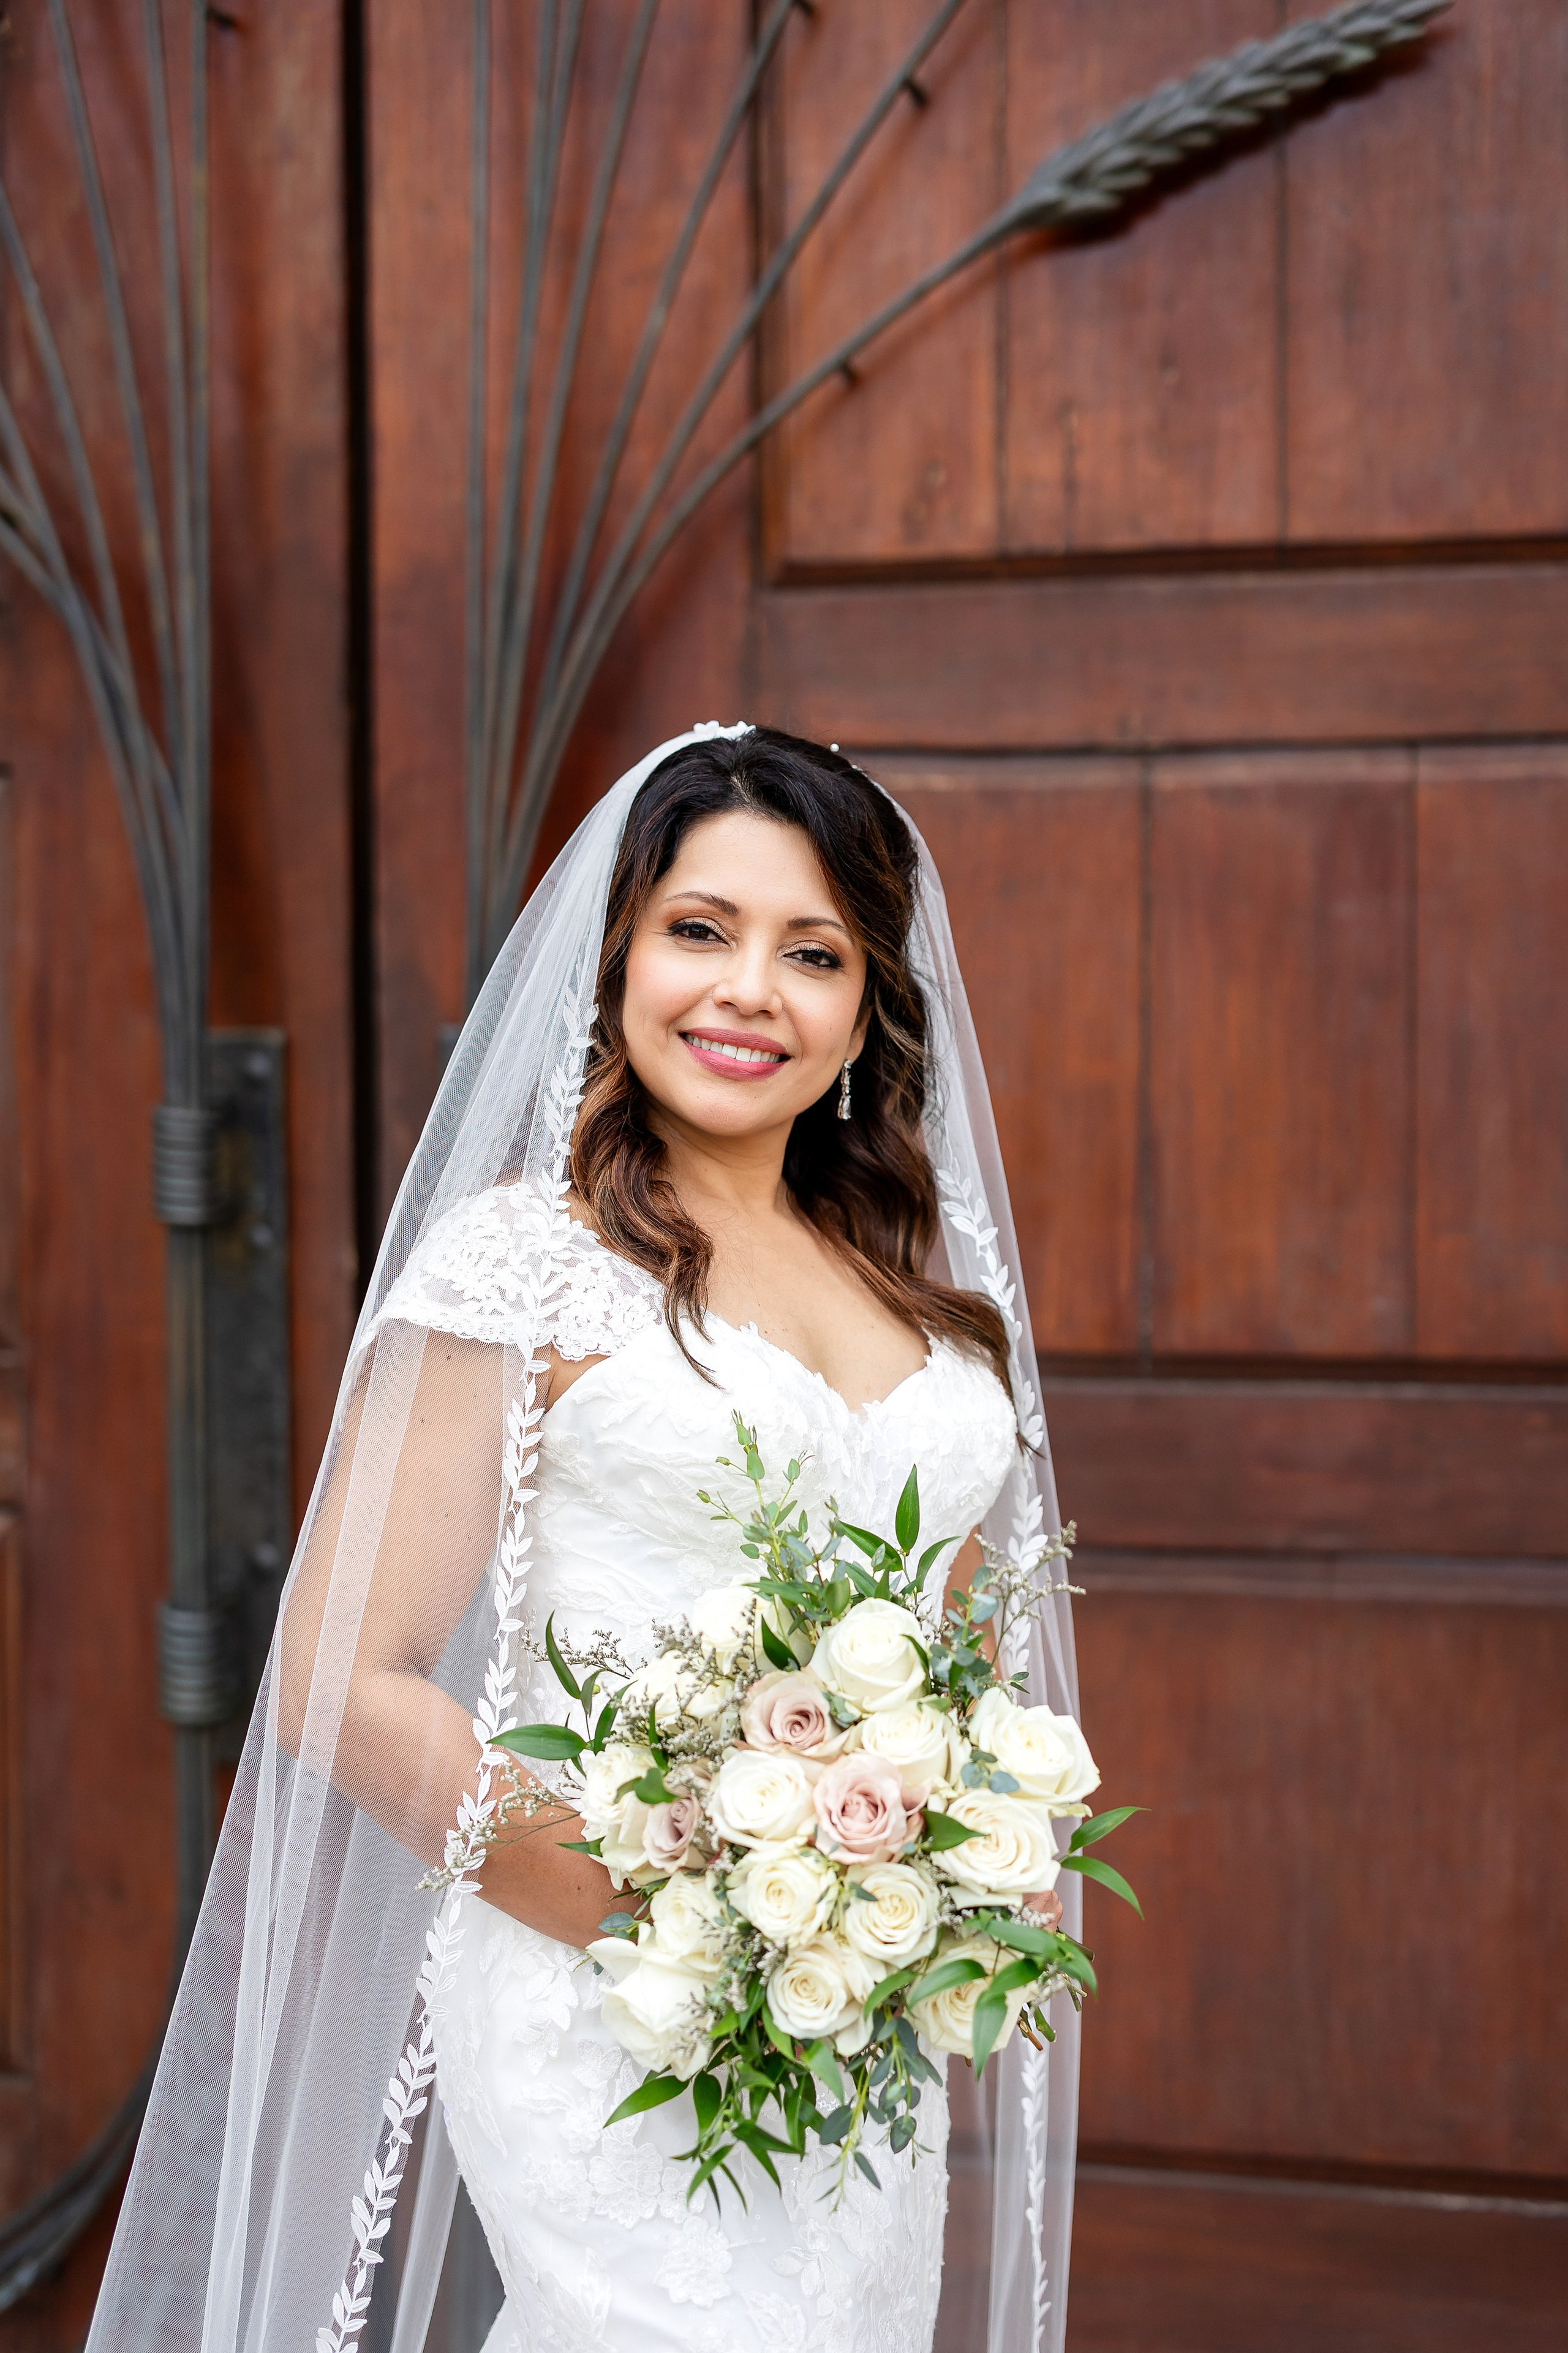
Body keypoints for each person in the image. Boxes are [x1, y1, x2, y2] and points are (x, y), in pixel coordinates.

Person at [86, 725, 1082, 2353]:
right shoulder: (524, 1265)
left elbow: (953, 1643)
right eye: (701, 928)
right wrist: (665, 1908)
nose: (749, 988)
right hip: (603, 1984)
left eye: (812, 950)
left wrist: (914, 1863)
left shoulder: (913, 1286)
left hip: (849, 2009)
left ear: (867, 1005)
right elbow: (343, 1677)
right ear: (618, 952)